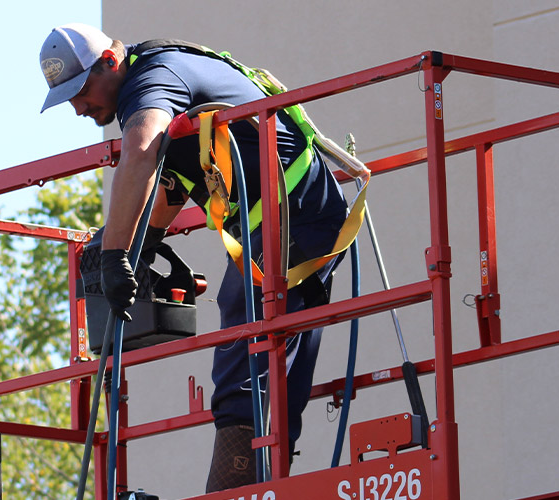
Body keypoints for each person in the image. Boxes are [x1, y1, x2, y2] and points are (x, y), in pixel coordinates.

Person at [38, 23, 348, 492]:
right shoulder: (158, 79)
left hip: (295, 215)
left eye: (80, 91)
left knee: (244, 346)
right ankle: (261, 479)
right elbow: (171, 177)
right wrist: (143, 242)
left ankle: (238, 487)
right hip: (290, 218)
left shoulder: (152, 78)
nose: (78, 107)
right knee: (267, 352)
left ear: (109, 62)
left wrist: (118, 254)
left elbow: (141, 154)